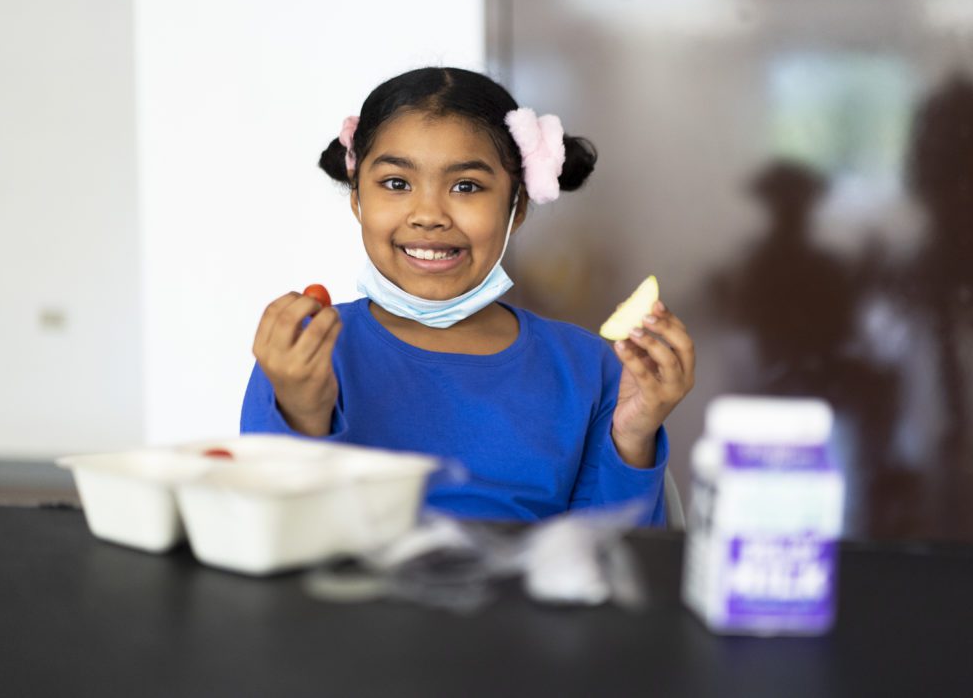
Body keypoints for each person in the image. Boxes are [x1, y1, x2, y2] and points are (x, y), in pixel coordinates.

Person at [241, 67, 695, 526]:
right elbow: (272, 539)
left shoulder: (592, 370)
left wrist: (633, 436)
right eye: (397, 183)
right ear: (357, 199)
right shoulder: (306, 353)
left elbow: (612, 563)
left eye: (467, 186)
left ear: (516, 208)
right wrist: (301, 411)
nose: (429, 215)